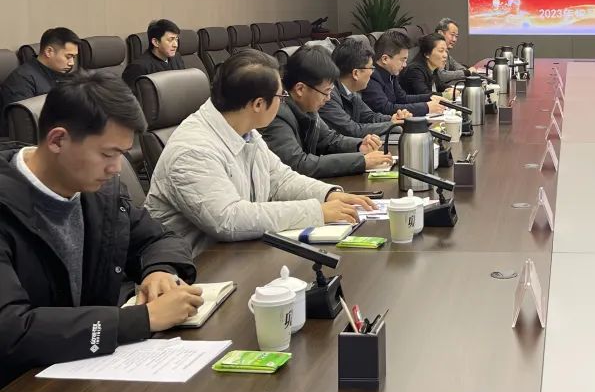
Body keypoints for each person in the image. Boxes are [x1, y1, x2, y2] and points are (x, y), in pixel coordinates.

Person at [0, 72, 201, 388]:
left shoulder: (99, 194)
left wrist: (159, 271)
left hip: (85, 372)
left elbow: (160, 238)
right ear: (57, 140)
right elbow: (11, 330)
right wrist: (142, 319)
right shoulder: (7, 207)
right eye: (108, 154)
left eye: (122, 154)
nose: (116, 168)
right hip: (20, 389)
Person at [145, 50, 374, 256]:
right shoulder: (193, 150)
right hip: (196, 270)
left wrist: (327, 194)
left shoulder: (245, 130)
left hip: (240, 254)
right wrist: (316, 211)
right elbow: (229, 219)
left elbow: (280, 179)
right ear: (257, 104)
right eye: (281, 97)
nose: (283, 103)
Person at [261, 47, 393, 179]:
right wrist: (361, 161)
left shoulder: (307, 106)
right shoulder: (276, 115)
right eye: (326, 92)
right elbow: (299, 164)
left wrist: (359, 145)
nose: (328, 98)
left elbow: (329, 139)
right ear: (300, 89)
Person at [321, 41, 409, 139]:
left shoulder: (350, 91)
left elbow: (369, 116)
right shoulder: (328, 95)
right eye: (371, 68)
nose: (372, 72)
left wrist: (393, 118)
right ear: (356, 73)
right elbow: (352, 130)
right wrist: (392, 125)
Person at [362, 31, 446, 118]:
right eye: (402, 60)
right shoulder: (371, 76)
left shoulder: (391, 73)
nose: (405, 65)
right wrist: (426, 107)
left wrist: (431, 97)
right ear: (385, 59)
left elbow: (402, 98)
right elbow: (385, 108)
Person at [0, 27, 80, 113]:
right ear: (49, 52)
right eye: (68, 57)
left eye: (73, 57)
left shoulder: (65, 74)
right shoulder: (21, 80)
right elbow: (21, 118)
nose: (72, 63)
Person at [122, 19, 186, 88]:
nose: (175, 45)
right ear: (156, 42)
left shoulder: (177, 58)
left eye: (176, 39)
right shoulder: (138, 67)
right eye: (171, 40)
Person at [435, 18, 467, 84]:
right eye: (452, 35)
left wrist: (467, 71)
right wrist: (467, 72)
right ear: (440, 33)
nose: (454, 40)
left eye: (456, 36)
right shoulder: (433, 51)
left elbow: (457, 66)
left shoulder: (446, 51)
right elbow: (442, 76)